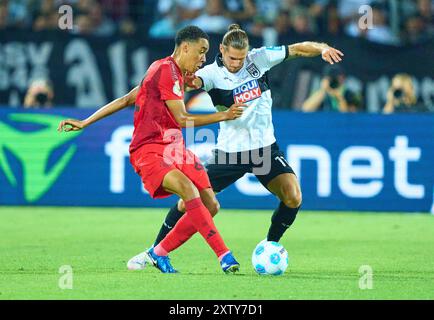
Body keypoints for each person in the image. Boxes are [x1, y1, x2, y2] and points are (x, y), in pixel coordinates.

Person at [128, 24, 344, 268]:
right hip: (230, 153)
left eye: (241, 58)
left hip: (265, 150)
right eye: (232, 58)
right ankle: (154, 250)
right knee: (189, 201)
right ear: (221, 50)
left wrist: (322, 48)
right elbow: (176, 83)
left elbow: (297, 49)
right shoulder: (209, 74)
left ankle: (269, 246)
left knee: (293, 197)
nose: (236, 63)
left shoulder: (260, 59)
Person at [58, 26, 246, 274]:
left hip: (175, 149)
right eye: (201, 52)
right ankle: (225, 256)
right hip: (149, 150)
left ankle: (157, 253)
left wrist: (85, 121)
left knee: (211, 205)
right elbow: (181, 119)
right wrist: (223, 115)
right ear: (185, 47)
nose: (203, 58)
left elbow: (127, 98)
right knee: (188, 190)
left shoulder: (174, 74)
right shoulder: (164, 70)